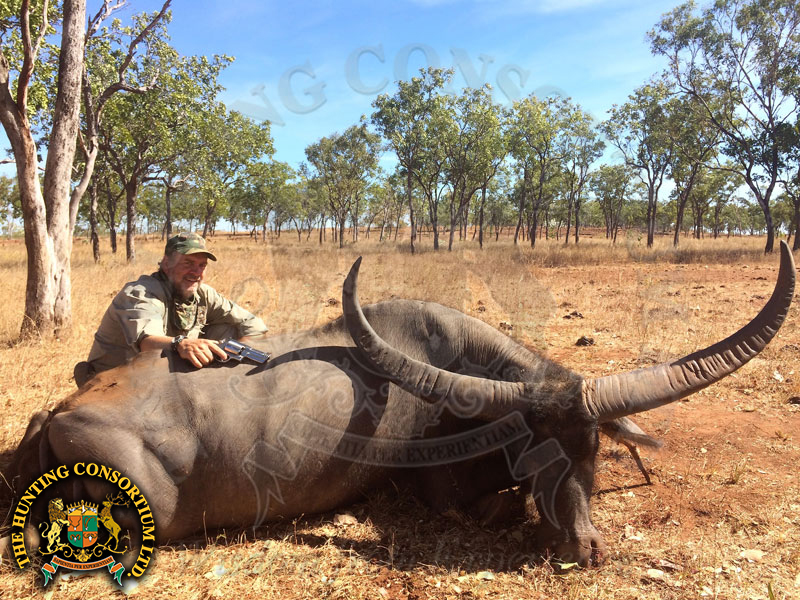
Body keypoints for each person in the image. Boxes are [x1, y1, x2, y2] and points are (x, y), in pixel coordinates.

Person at [75, 232, 268, 386]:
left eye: (202, 265)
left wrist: (237, 352)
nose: (196, 272)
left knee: (231, 330)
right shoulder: (141, 292)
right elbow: (148, 343)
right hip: (112, 381)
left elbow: (254, 324)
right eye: (188, 263)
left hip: (155, 375)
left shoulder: (204, 294)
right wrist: (181, 344)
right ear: (167, 264)